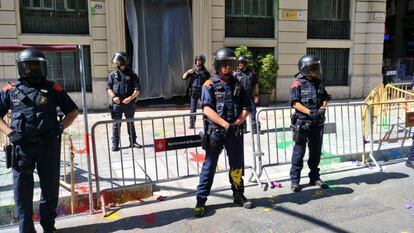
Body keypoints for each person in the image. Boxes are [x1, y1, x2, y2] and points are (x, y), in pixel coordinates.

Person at [0, 48, 78, 233]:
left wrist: (59, 128)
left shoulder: (54, 89)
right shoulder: (11, 91)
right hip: (22, 148)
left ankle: (48, 226)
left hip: (48, 147)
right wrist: (10, 133)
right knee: (22, 192)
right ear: (21, 68)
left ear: (43, 67)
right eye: (28, 66)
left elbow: (72, 112)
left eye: (36, 66)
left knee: (50, 189)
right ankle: (26, 229)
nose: (32, 70)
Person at [194, 48, 254, 217]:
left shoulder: (238, 83)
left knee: (237, 166)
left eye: (230, 64)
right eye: (223, 64)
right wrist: (226, 125)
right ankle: (201, 200)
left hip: (234, 132)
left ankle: (238, 194)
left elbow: (247, 107)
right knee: (209, 166)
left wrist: (235, 123)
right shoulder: (209, 84)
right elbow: (207, 109)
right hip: (216, 133)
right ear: (217, 65)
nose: (227, 67)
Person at [289, 54, 330, 193]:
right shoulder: (297, 83)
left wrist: (322, 108)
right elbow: (295, 103)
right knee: (299, 152)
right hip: (302, 123)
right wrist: (310, 112)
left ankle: (315, 177)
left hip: (317, 123)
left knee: (315, 152)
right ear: (305, 69)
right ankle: (295, 181)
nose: (315, 71)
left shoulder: (319, 82)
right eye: (313, 68)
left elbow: (325, 98)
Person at [107, 52, 142, 151]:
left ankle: (133, 142)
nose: (116, 64)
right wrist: (113, 97)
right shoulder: (113, 75)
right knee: (116, 124)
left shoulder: (132, 74)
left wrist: (130, 98)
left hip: (129, 104)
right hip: (117, 105)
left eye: (117, 62)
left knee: (130, 122)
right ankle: (115, 144)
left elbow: (137, 90)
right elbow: (108, 88)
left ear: (122, 62)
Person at [182, 54, 210, 129]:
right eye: (197, 60)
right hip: (194, 91)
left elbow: (210, 81)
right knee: (192, 109)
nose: (198, 62)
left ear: (202, 62)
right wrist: (188, 72)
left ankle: (206, 123)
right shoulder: (193, 71)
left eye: (200, 61)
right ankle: (192, 124)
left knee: (205, 107)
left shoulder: (205, 72)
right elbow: (183, 77)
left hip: (202, 91)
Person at [235, 56, 259, 134]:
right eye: (239, 63)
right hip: (240, 97)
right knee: (241, 113)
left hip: (249, 96)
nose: (239, 64)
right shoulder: (236, 73)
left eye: (241, 63)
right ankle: (243, 128)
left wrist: (256, 95)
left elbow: (255, 84)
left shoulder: (251, 73)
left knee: (253, 112)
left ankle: (254, 128)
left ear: (245, 63)